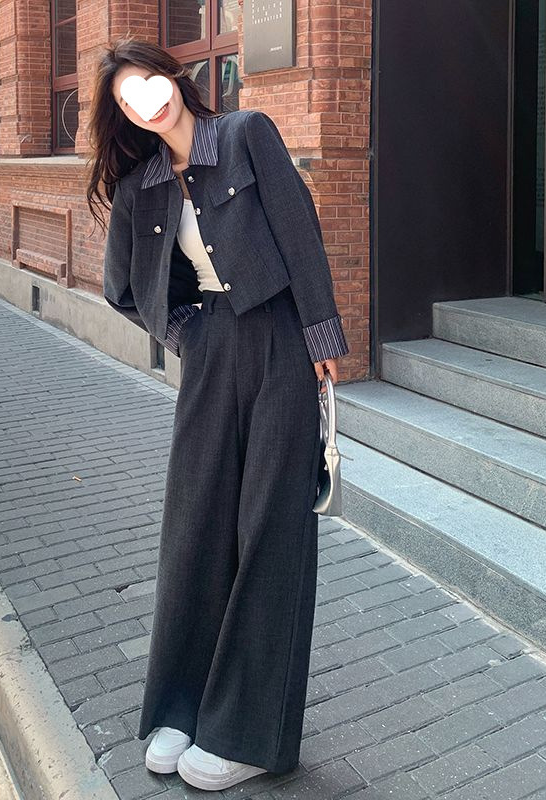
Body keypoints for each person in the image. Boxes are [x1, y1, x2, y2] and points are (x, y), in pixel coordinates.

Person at [86, 37, 349, 792]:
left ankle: (245, 733)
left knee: (269, 529)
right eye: (127, 97)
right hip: (211, 350)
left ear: (173, 76)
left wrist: (321, 337)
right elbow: (121, 288)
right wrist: (186, 334)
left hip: (280, 343)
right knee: (196, 523)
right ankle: (182, 706)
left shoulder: (245, 134)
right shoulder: (140, 188)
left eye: (148, 80)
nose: (145, 98)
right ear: (124, 115)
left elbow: (300, 233)